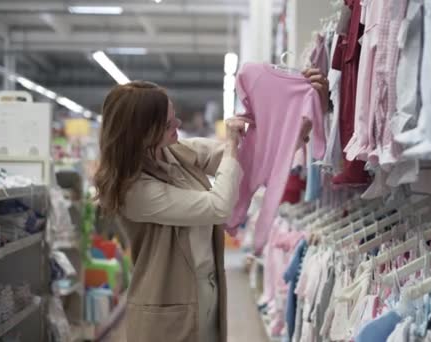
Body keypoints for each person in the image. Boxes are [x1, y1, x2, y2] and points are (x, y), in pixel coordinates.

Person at [93, 68, 329, 342]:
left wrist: (296, 100)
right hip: (166, 308)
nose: (178, 124)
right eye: (169, 124)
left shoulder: (174, 152)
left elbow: (254, 158)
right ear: (144, 132)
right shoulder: (134, 191)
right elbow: (219, 207)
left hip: (203, 293)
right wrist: (230, 145)